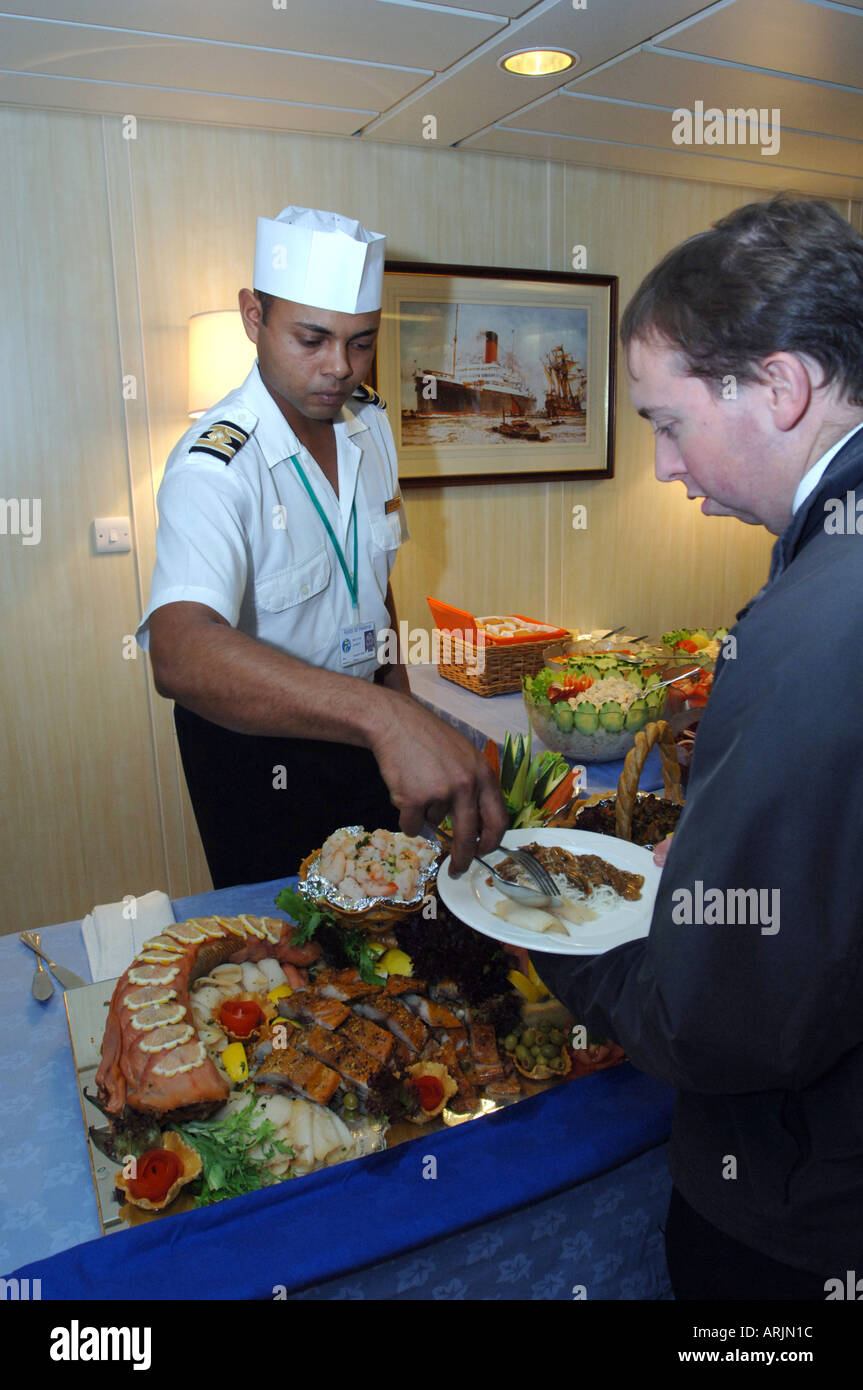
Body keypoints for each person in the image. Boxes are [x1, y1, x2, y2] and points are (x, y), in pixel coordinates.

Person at [533, 195, 863, 1301]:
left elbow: (717, 1021)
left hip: (801, 1203)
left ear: (778, 387)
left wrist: (544, 925)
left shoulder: (817, 625)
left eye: (667, 422)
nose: (665, 469)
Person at [136, 206, 506, 887]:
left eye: (360, 342)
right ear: (253, 317)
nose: (338, 368)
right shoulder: (213, 466)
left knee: (402, 911)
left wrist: (399, 701)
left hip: (366, 725)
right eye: (311, 338)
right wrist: (385, 716)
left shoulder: (368, 426)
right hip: (259, 753)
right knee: (295, 951)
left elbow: (371, 581)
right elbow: (178, 652)